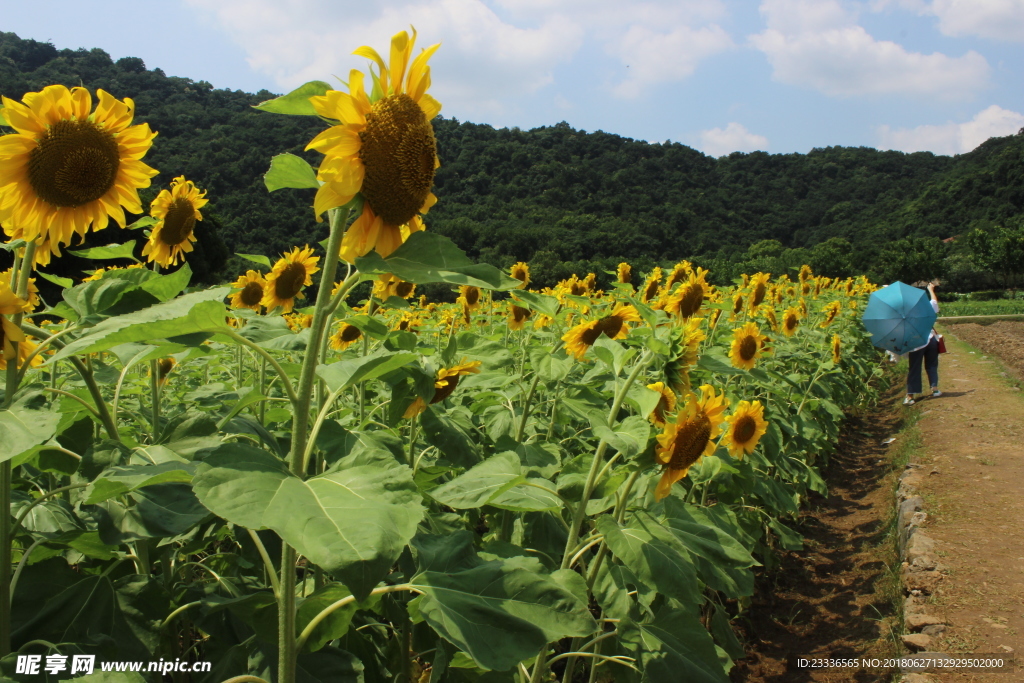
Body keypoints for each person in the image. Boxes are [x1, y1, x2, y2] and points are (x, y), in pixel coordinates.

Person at [904, 283, 941, 406]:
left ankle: (910, 396)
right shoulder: (926, 306)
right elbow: (934, 302)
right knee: (931, 365)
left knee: (914, 368)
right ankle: (935, 389)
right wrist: (931, 289)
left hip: (916, 342)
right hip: (931, 340)